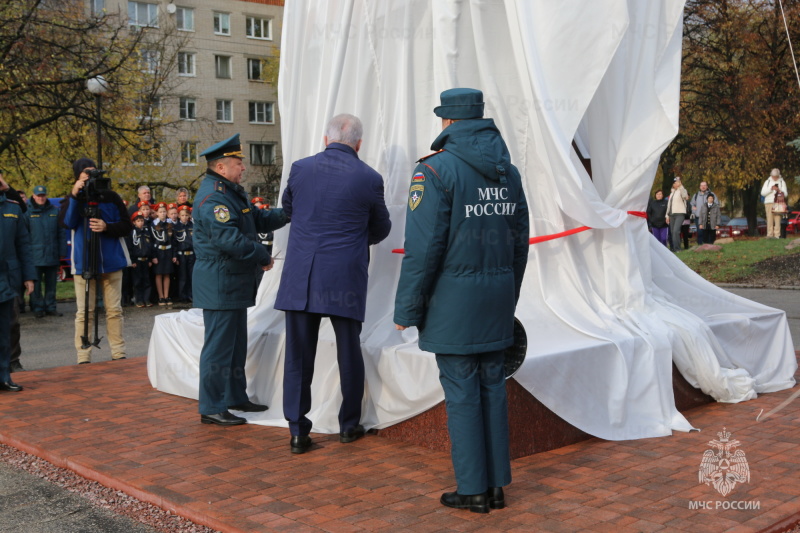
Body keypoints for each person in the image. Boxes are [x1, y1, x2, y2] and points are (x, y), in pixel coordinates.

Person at [394, 89, 529, 513]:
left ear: (447, 123)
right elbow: (519, 242)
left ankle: (472, 489)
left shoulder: (434, 171)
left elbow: (423, 249)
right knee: (492, 386)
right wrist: (508, 293)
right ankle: (495, 486)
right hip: (496, 300)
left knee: (462, 393)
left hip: (452, 304)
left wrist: (407, 310)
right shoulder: (509, 172)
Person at [275, 114, 391, 454]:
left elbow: (289, 209)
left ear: (326, 139)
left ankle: (297, 431)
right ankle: (348, 425)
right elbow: (381, 229)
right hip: (344, 275)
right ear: (358, 143)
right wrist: (354, 241)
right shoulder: (369, 177)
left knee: (298, 355)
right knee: (348, 351)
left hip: (302, 275)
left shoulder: (300, 168)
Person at [193, 133, 289, 426]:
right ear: (221, 167)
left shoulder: (230, 192)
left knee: (234, 344)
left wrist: (290, 211)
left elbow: (257, 220)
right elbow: (229, 238)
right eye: (237, 163)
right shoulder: (214, 198)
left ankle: (234, 396)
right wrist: (262, 255)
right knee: (219, 346)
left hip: (231, 281)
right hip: (220, 281)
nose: (242, 168)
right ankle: (211, 406)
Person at [59, 158, 133, 364]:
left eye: (93, 173)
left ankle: (118, 353)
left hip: (111, 262)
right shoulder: (72, 198)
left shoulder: (111, 196)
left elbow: (127, 226)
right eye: (86, 174)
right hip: (84, 263)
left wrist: (107, 226)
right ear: (77, 176)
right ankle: (83, 356)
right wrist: (75, 195)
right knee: (84, 312)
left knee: (115, 311)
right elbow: (67, 223)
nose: (91, 177)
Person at [0, 174, 35, 392]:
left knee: (6, 330)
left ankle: (4, 375)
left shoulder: (12, 207)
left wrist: (28, 276)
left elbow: (24, 245)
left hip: (6, 278)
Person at [24, 185, 67, 318]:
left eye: (43, 195)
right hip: (34, 256)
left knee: (51, 284)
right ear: (33, 196)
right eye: (38, 195)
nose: (41, 198)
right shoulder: (27, 212)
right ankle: (37, 308)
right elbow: (24, 237)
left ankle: (51, 307)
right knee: (36, 286)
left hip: (52, 254)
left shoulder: (55, 211)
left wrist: (62, 252)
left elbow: (61, 233)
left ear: (46, 196)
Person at [126, 211, 155, 307]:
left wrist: (150, 258)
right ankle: (139, 299)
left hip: (146, 259)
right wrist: (132, 260)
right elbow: (130, 247)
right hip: (137, 260)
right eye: (138, 221)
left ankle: (147, 299)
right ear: (134, 222)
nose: (140, 223)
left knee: (147, 280)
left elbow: (150, 246)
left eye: (142, 220)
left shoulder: (146, 232)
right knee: (137, 281)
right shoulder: (132, 233)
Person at [151, 202, 175, 306]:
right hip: (158, 251)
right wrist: (153, 256)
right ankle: (160, 296)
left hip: (168, 251)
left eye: (164, 211)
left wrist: (174, 255)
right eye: (160, 212)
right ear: (157, 213)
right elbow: (151, 242)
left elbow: (174, 241)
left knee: (167, 274)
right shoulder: (154, 224)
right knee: (159, 274)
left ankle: (166, 295)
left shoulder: (170, 224)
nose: (163, 213)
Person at [173, 205, 195, 303]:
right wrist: (175, 256)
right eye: (182, 215)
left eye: (186, 215)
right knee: (182, 276)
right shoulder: (176, 227)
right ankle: (182, 296)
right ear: (179, 216)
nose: (184, 217)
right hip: (181, 254)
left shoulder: (192, 226)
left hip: (191, 254)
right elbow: (174, 243)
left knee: (191, 276)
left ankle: (190, 295)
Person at [761, 168, 789, 238]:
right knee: (769, 219)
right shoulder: (767, 182)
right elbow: (763, 193)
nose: (775, 178)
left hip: (778, 203)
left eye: (776, 176)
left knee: (777, 219)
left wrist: (779, 190)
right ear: (771, 175)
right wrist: (771, 189)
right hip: (769, 202)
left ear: (778, 176)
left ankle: (777, 235)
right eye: (773, 176)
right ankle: (769, 234)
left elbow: (785, 194)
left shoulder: (782, 182)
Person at [665, 177, 689, 252]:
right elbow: (669, 205)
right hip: (671, 214)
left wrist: (681, 187)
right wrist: (667, 215)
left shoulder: (682, 190)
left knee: (676, 231)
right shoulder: (672, 193)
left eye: (677, 182)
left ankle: (678, 248)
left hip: (679, 213)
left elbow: (686, 197)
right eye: (675, 183)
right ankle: (674, 248)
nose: (676, 184)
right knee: (672, 232)